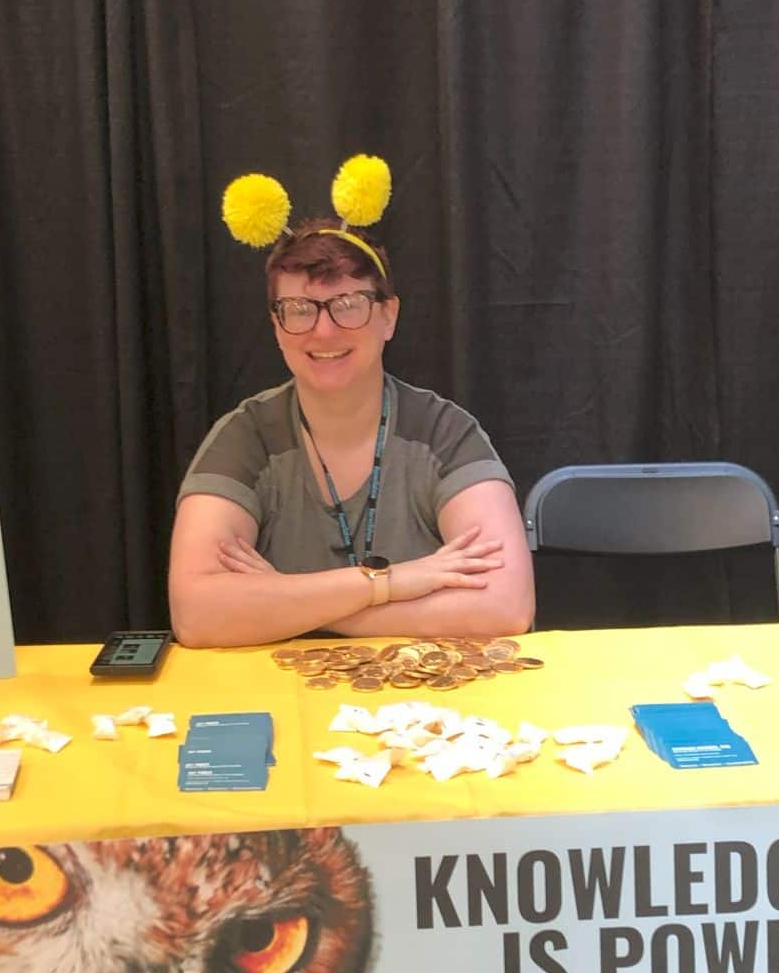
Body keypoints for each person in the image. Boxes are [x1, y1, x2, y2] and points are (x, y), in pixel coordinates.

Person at [169, 156, 535, 649]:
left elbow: (506, 606)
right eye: (299, 309)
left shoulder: (446, 433)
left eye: (347, 305)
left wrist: (286, 604)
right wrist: (392, 583)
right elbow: (197, 617)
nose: (323, 330)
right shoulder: (244, 436)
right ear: (276, 326)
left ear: (388, 316)